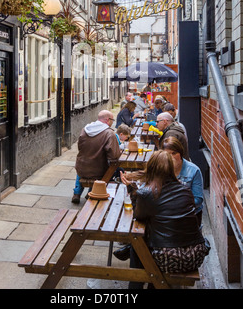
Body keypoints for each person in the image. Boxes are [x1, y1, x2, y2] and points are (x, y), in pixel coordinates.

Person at [123, 150, 209, 289]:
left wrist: (133, 192)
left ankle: (135, 286)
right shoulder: (186, 190)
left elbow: (138, 216)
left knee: (137, 243)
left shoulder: (147, 193)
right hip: (195, 255)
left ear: (150, 168)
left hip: (168, 258)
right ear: (171, 168)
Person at [72, 110, 120, 204]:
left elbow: (80, 147)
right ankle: (92, 192)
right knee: (112, 167)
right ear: (107, 120)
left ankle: (77, 193)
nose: (112, 122)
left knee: (84, 165)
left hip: (81, 168)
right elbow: (114, 156)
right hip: (98, 171)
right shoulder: (109, 133)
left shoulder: (85, 129)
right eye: (112, 120)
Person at [161, 136, 203, 226]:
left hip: (189, 216)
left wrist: (178, 205)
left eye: (174, 153)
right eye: (167, 154)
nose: (171, 157)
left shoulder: (193, 170)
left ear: (180, 153)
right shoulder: (161, 168)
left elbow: (198, 199)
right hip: (167, 214)